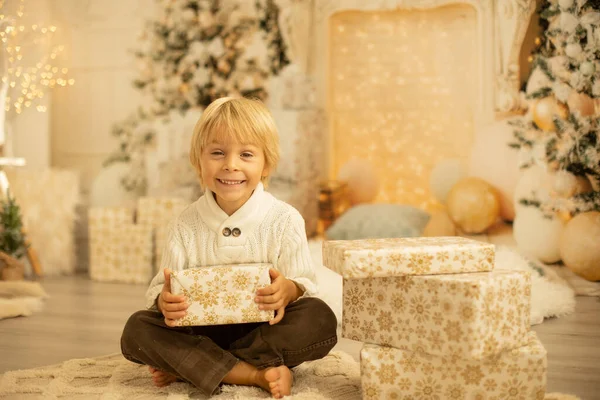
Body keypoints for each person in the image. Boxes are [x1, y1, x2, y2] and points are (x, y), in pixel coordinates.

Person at [120, 97, 338, 399]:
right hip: (201, 331)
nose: (230, 165)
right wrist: (164, 301)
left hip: (264, 330)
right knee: (137, 330)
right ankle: (254, 373)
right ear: (199, 160)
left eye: (246, 154)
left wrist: (289, 289)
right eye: (217, 153)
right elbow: (160, 289)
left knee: (320, 317)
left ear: (267, 163)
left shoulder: (285, 220)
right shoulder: (184, 225)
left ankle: (193, 364)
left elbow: (305, 285)